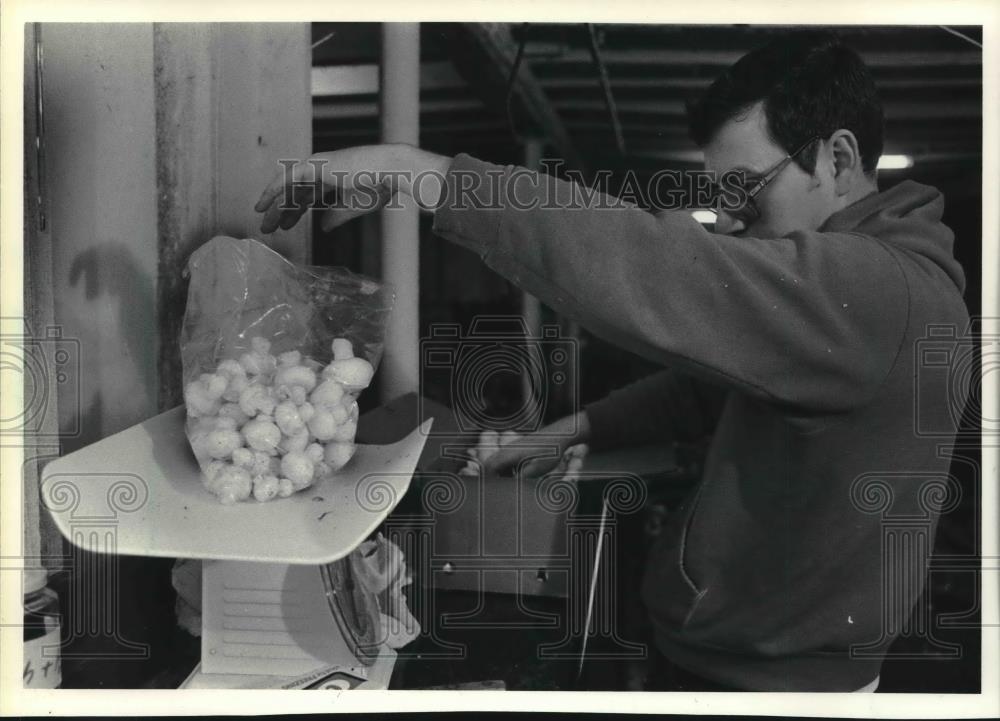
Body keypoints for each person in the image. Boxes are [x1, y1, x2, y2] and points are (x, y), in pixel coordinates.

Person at [254, 31, 970, 692]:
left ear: (838, 159)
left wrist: (419, 174)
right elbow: (709, 394)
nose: (729, 221)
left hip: (766, 684)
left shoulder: (877, 290)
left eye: (744, 191)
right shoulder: (879, 294)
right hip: (752, 660)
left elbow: (658, 268)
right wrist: (570, 430)